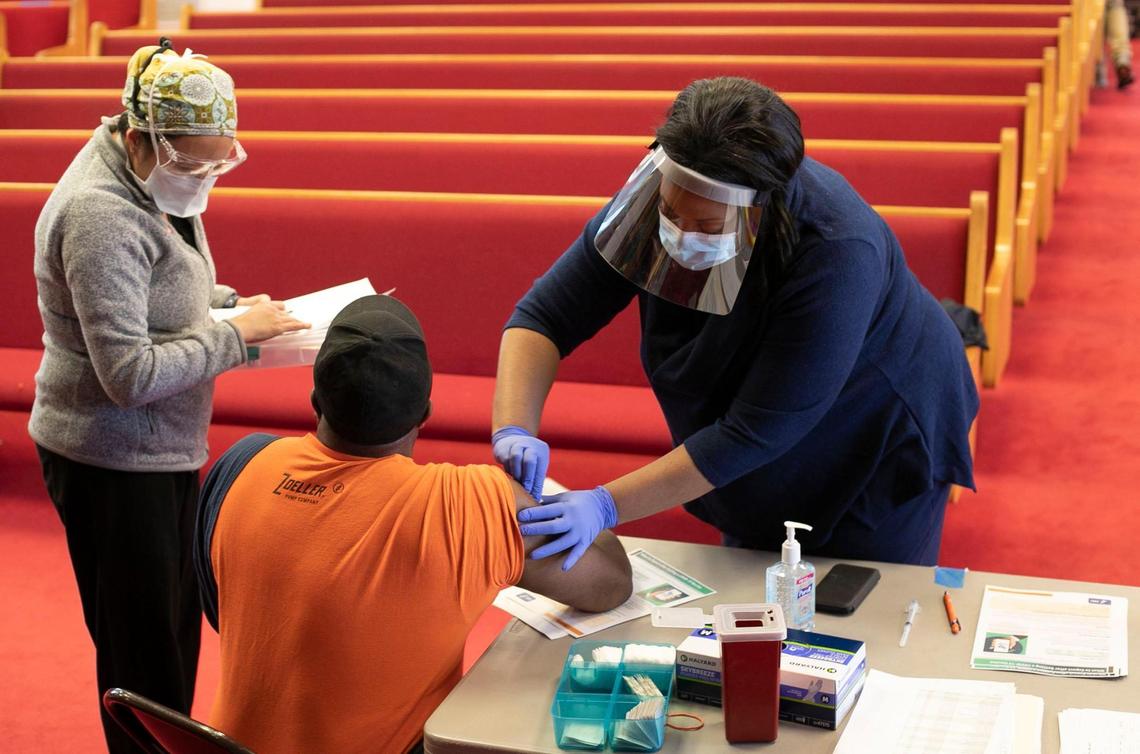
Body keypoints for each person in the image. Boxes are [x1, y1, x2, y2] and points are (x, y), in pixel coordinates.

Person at [492, 77, 979, 571]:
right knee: (754, 578)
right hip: (753, 426)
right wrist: (513, 426)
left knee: (856, 600)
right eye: (671, 213)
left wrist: (604, 506)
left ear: (760, 210)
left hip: (872, 422)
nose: (680, 234)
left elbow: (754, 433)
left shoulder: (836, 249)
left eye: (706, 227)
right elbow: (544, 317)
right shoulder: (659, 197)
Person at [195, 295, 633, 754]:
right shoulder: (473, 502)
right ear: (426, 413)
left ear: (314, 403)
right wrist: (586, 506)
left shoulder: (242, 462)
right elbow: (609, 584)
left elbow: (224, 613)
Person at [29, 41, 308, 752]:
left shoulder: (152, 178)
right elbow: (128, 375)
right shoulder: (102, 213)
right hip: (113, 456)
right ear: (140, 138)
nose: (206, 177)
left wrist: (229, 303)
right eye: (194, 162)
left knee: (168, 639)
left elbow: (158, 288)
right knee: (145, 663)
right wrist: (238, 337)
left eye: (222, 160)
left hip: (158, 450)